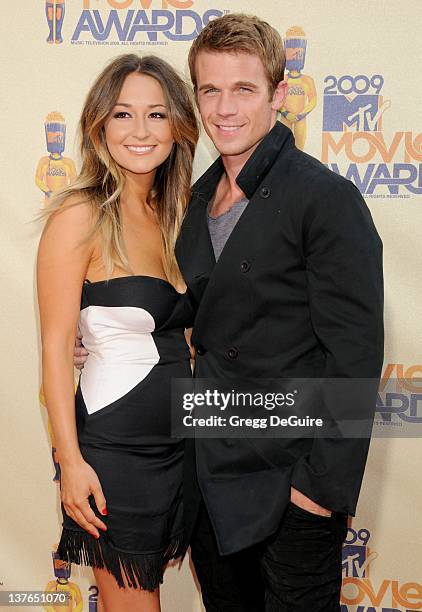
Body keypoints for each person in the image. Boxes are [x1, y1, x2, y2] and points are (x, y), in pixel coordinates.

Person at [75, 14, 384, 612]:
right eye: (210, 90)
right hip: (209, 476)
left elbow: (356, 356)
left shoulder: (323, 198)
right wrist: (93, 336)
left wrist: (317, 492)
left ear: (279, 95)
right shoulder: (194, 201)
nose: (224, 108)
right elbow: (182, 315)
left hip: (289, 482)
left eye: (243, 89)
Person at [37, 54, 198, 611]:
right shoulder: (79, 215)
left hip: (187, 445)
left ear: (178, 126)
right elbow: (56, 350)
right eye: (123, 114)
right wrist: (71, 462)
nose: (139, 131)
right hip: (117, 454)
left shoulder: (180, 213)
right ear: (99, 125)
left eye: (156, 115)